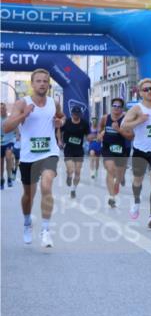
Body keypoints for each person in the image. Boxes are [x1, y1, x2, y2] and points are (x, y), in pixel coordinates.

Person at [2, 69, 63, 247]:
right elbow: (6, 127)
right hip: (29, 157)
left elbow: (60, 117)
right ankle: (27, 223)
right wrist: (24, 114)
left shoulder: (54, 102)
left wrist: (61, 122)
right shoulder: (23, 103)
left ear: (49, 85)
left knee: (46, 184)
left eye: (45, 81)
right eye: (38, 81)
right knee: (28, 196)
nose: (42, 84)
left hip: (49, 153)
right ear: (32, 83)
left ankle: (45, 230)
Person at [119, 78, 151, 229]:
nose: (149, 92)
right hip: (140, 150)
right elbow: (124, 125)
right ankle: (137, 201)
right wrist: (139, 121)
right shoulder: (137, 109)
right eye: (146, 89)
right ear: (140, 93)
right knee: (137, 180)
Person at [99, 98, 130, 208]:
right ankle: (112, 197)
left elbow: (131, 136)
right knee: (110, 170)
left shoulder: (126, 119)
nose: (116, 108)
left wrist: (118, 130)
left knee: (119, 175)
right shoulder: (105, 118)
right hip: (108, 148)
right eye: (114, 106)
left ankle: (118, 181)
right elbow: (101, 128)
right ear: (111, 107)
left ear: (122, 109)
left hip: (122, 148)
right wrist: (101, 134)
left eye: (119, 106)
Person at [61, 106, 88, 198]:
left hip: (79, 150)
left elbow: (88, 135)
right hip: (68, 148)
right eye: (74, 114)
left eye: (78, 114)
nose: (76, 116)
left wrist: (92, 137)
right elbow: (59, 130)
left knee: (77, 172)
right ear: (71, 114)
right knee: (71, 169)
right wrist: (60, 141)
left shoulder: (84, 123)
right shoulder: (67, 122)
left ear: (80, 114)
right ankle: (69, 176)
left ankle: (73, 189)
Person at [1, 102, 18, 189]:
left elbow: (15, 127)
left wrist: (18, 135)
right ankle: (1, 179)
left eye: (3, 108)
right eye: (0, 109)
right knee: (1, 163)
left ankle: (9, 178)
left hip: (9, 141)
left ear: (5, 109)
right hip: (0, 143)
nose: (1, 110)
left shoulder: (10, 119)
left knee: (8, 158)